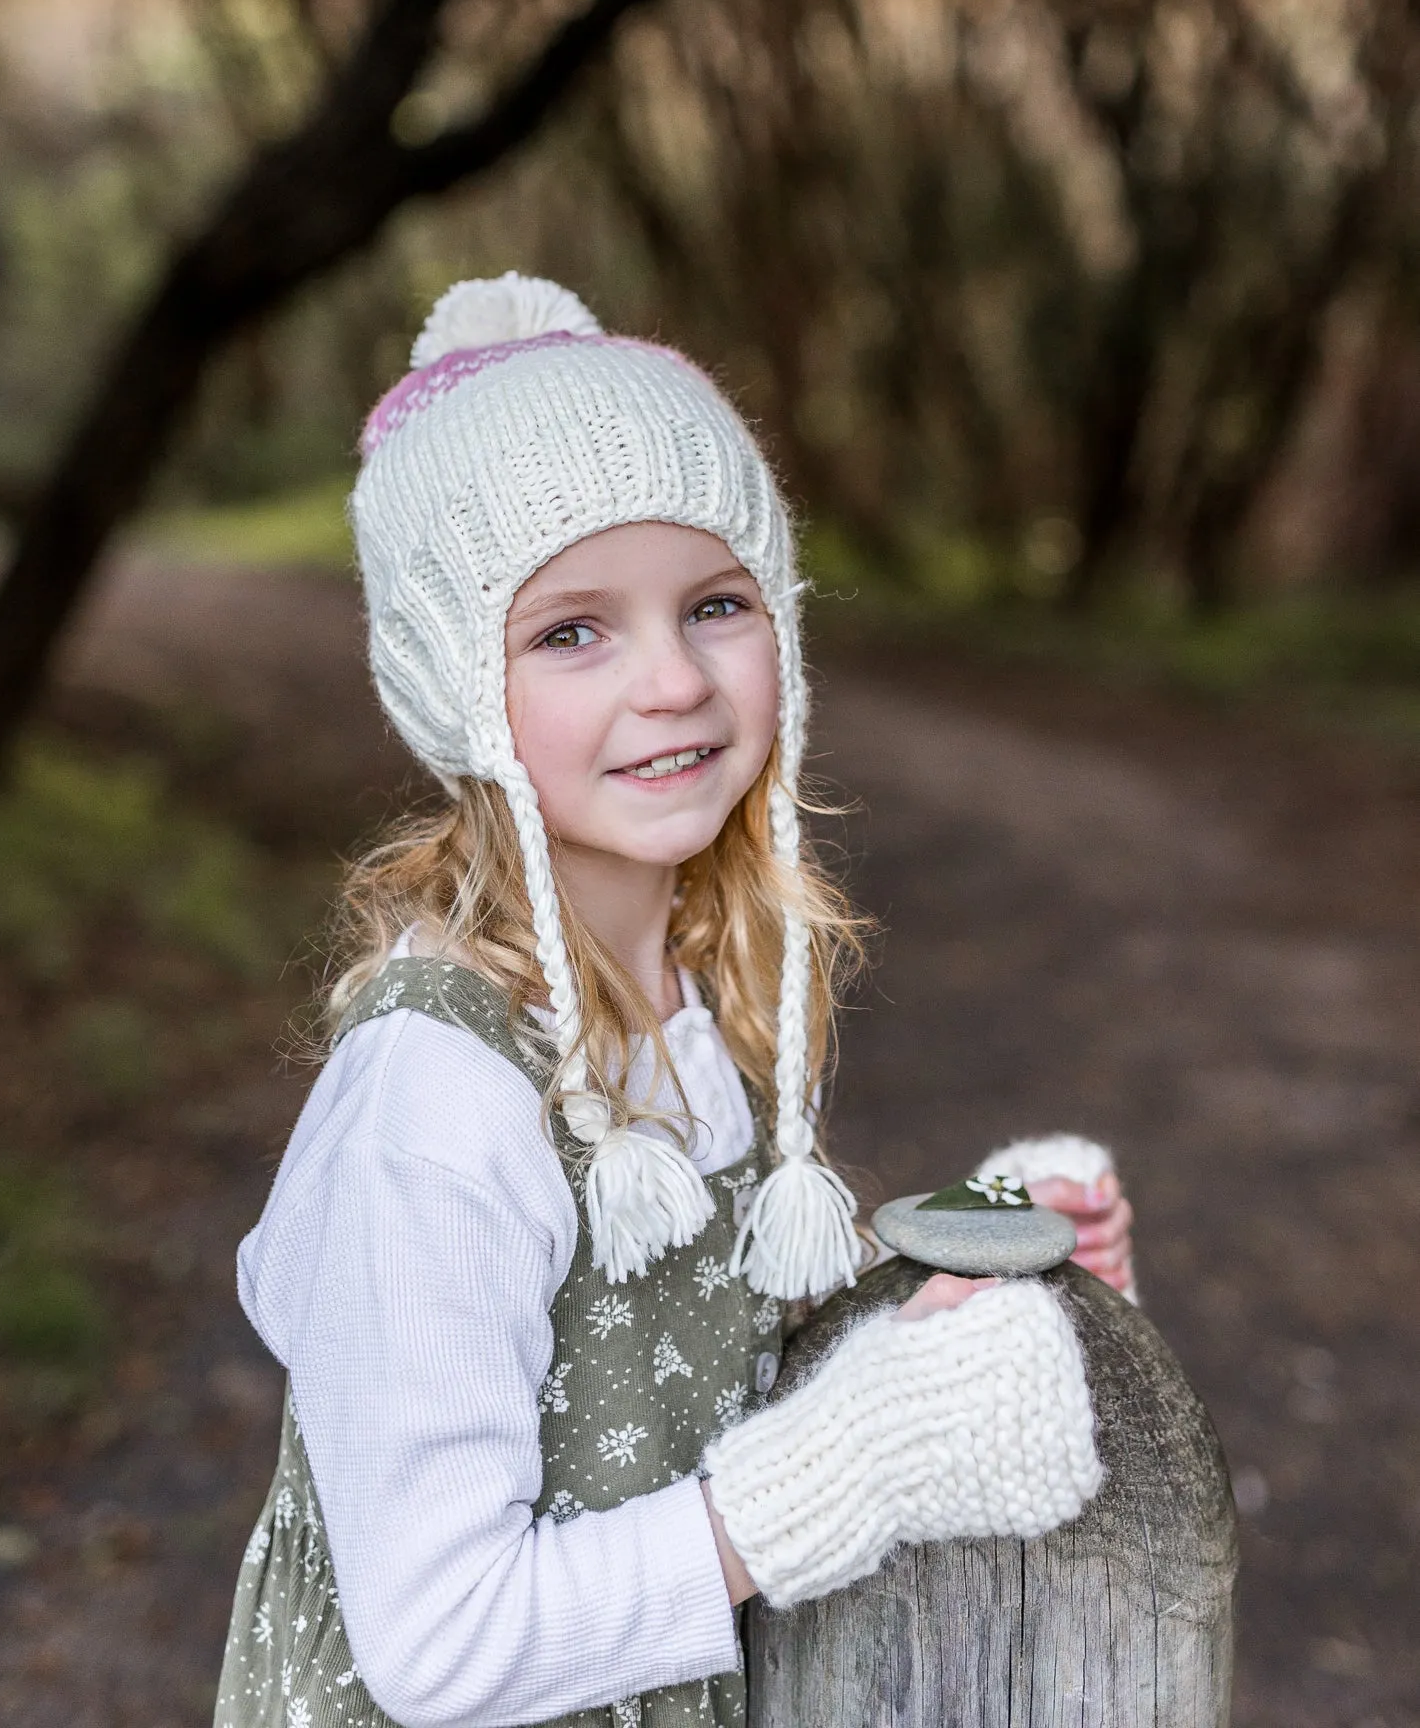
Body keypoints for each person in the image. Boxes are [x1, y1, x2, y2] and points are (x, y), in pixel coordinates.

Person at [213, 275, 1136, 1728]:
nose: (673, 683)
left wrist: (960, 1271)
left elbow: (705, 1381)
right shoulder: (439, 1103)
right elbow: (440, 1644)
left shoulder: (704, 988)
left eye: (718, 605)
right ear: (459, 686)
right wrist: (836, 1479)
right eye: (572, 631)